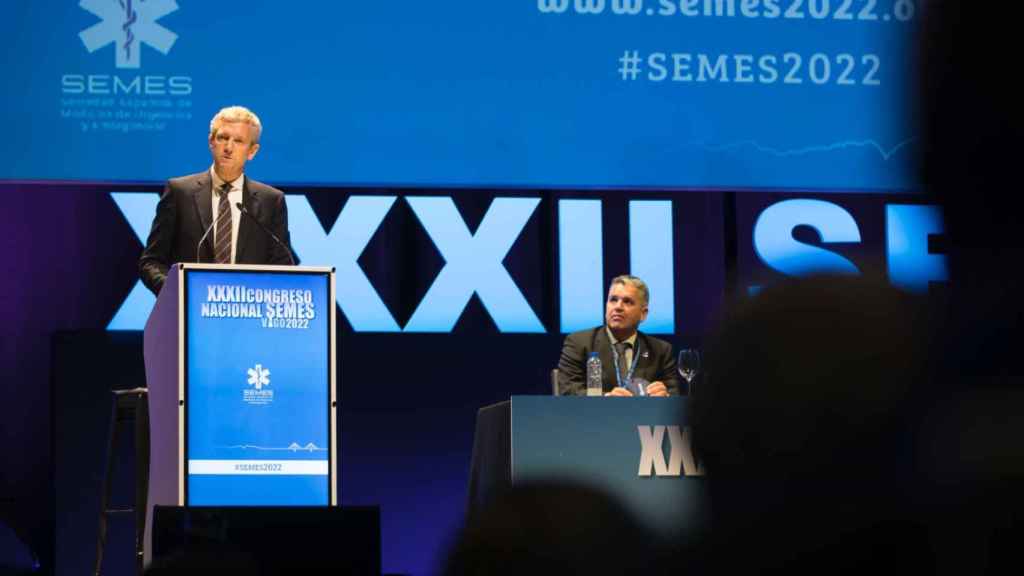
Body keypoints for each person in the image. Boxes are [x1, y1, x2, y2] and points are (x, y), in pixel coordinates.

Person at [138, 106, 292, 295]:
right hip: (187, 308)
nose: (228, 148)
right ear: (211, 141)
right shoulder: (180, 192)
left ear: (252, 151)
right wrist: (177, 294)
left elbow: (282, 267)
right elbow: (151, 262)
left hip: (249, 309)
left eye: (238, 141)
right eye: (223, 138)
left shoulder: (271, 201)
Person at [556, 275, 677, 396]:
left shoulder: (661, 351)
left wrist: (665, 395)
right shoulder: (579, 343)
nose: (618, 307)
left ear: (643, 314)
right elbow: (568, 389)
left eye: (627, 301)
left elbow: (674, 394)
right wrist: (606, 398)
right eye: (613, 300)